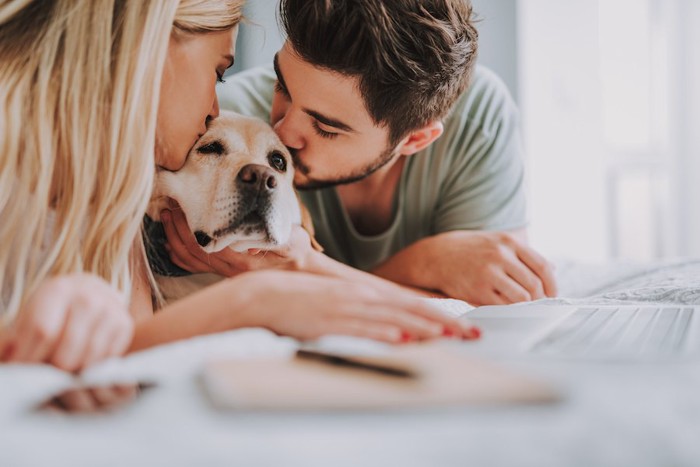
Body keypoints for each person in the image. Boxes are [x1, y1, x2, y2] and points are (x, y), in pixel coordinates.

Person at [0, 0, 478, 373]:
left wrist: (295, 270)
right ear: (147, 50)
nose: (285, 133)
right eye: (219, 72)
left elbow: (130, 349)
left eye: (327, 127)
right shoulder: (152, 161)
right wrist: (256, 300)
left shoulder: (120, 177)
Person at [162, 0, 559, 306]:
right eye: (283, 85)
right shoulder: (223, 119)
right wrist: (421, 268)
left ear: (414, 141)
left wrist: (308, 268)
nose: (283, 131)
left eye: (326, 126)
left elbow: (495, 314)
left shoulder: (478, 121)